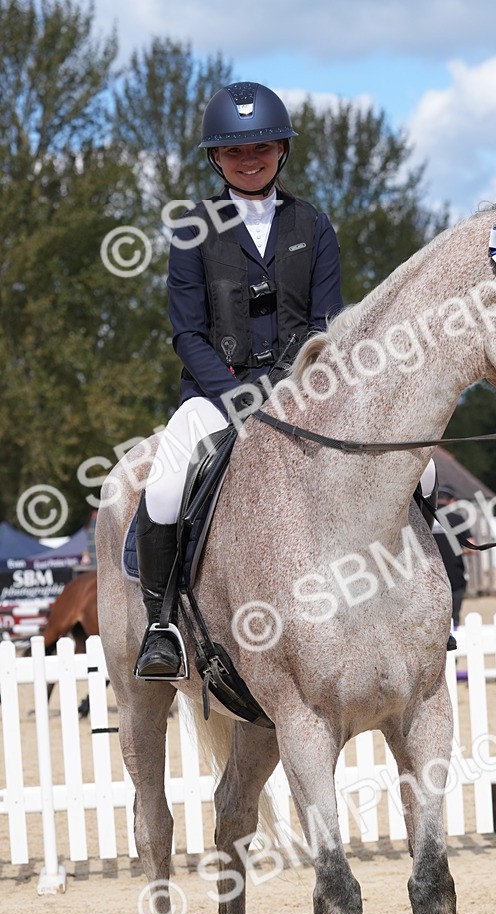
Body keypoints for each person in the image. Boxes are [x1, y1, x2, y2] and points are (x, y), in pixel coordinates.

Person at [134, 81, 344, 677]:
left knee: (421, 465)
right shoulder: (190, 230)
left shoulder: (314, 224)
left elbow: (326, 324)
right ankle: (161, 625)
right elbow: (187, 333)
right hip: (213, 395)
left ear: (281, 150)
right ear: (215, 159)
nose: (248, 161)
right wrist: (236, 400)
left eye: (260, 149)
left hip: (305, 390)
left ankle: (424, 602)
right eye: (234, 152)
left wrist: (288, 388)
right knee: (166, 485)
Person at [433, 487, 471, 634]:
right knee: (453, 615)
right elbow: (472, 547)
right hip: (454, 574)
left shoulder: (426, 517)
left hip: (432, 575)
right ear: (452, 501)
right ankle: (454, 647)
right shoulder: (456, 518)